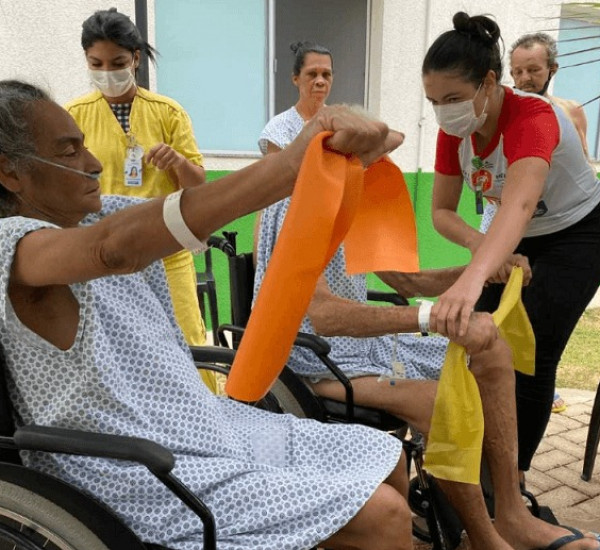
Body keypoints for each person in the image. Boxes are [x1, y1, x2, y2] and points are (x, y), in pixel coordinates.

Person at [0, 80, 412, 550]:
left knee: (385, 454)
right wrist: (291, 162)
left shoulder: (95, 215)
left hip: (203, 426)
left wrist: (358, 147)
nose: (93, 163)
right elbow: (112, 250)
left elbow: (193, 207)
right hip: (139, 472)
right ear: (10, 173)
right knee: (384, 516)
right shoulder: (13, 244)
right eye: (69, 152)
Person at [254, 45, 600, 550]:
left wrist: (484, 273)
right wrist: (426, 318)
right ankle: (482, 535)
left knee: (490, 343)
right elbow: (324, 316)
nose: (376, 166)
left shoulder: (345, 197)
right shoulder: (295, 210)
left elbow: (408, 283)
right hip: (313, 357)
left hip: (360, 350)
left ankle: (510, 510)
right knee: (443, 403)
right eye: (366, 157)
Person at [422, 12, 600, 485]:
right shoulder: (455, 132)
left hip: (579, 232)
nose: (444, 112)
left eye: (454, 99)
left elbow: (520, 203)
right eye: (434, 102)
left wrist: (473, 276)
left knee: (530, 354)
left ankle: (509, 484)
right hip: (515, 234)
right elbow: (441, 212)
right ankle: (471, 469)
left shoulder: (535, 116)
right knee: (477, 342)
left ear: (489, 83)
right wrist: (490, 252)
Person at [64, 9, 210, 374]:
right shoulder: (73, 116)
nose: (107, 73)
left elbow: (198, 186)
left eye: (117, 62)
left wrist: (176, 161)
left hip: (167, 251)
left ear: (136, 59)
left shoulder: (167, 113)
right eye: (96, 63)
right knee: (116, 353)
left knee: (188, 346)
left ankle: (207, 418)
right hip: (101, 254)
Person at [488, 31, 590, 415]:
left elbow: (577, 163)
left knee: (542, 326)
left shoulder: (569, 111)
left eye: (533, 69)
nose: (525, 78)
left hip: (563, 224)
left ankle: (539, 388)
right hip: (513, 222)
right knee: (499, 316)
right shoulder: (507, 116)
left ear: (552, 69)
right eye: (517, 71)